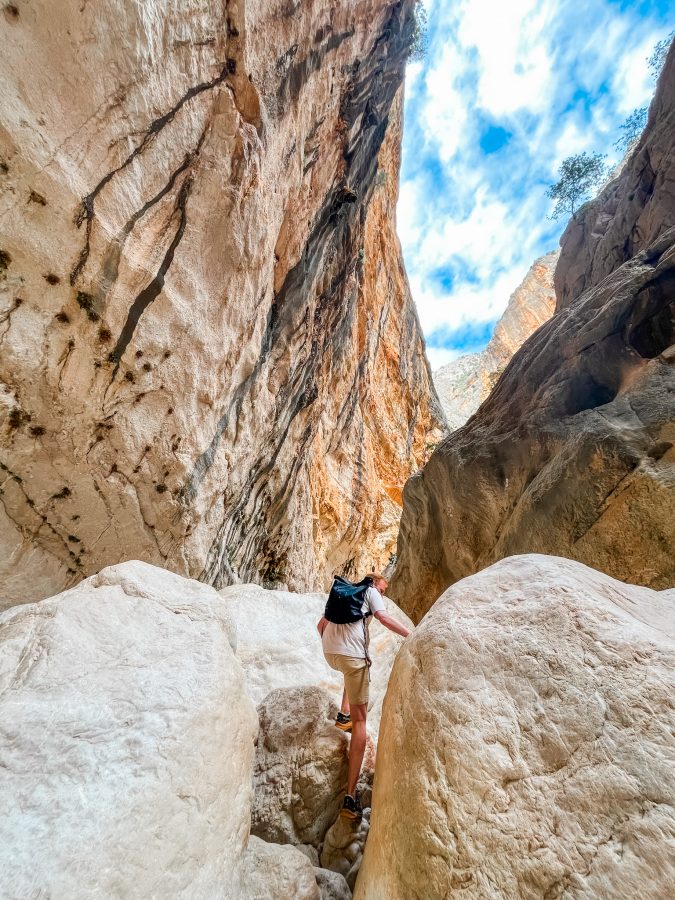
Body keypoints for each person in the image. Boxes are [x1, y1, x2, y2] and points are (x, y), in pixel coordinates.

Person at [317, 574, 411, 821]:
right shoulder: (369, 593)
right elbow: (383, 617)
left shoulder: (345, 593)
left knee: (351, 671)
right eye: (383, 589)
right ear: (374, 584)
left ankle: (342, 714)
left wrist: (336, 646)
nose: (383, 594)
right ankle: (350, 797)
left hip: (330, 653)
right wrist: (412, 635)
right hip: (352, 659)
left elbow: (320, 625)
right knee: (361, 723)